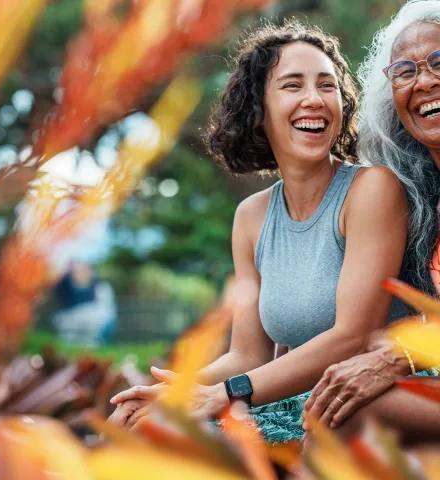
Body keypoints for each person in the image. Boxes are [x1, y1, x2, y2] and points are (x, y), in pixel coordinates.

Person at [108, 20, 412, 443]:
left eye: (327, 86)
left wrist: (224, 395)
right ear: (258, 110)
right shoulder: (251, 216)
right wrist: (174, 392)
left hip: (363, 399)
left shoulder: (372, 189)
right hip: (293, 401)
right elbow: (247, 354)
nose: (314, 99)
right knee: (135, 429)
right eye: (292, 86)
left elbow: (351, 337)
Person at [304, 0, 440, 445]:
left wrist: (397, 358)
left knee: (348, 413)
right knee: (335, 404)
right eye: (405, 71)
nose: (424, 81)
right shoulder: (419, 202)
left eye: (439, 61)